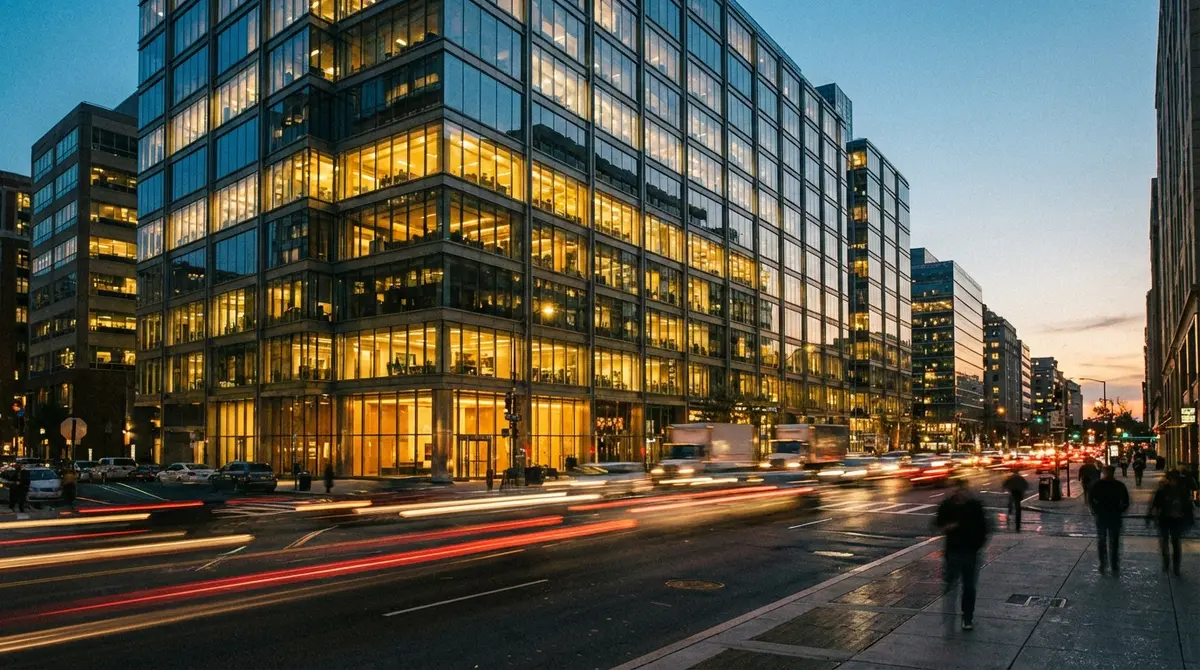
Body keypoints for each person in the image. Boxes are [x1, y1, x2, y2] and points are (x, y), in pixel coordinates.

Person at [935, 478, 990, 631]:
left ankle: (967, 617)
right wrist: (948, 526)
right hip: (953, 552)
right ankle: (950, 615)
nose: (959, 493)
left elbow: (984, 528)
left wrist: (977, 546)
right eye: (956, 490)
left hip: (970, 553)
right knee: (951, 586)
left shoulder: (974, 506)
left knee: (969, 587)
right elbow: (938, 524)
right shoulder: (947, 505)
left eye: (961, 490)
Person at [1147, 470, 1195, 575]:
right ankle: (1169, 564)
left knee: (1173, 542)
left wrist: (1150, 516)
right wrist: (1150, 515)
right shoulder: (1168, 490)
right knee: (1170, 542)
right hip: (1167, 519)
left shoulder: (1178, 490)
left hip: (1172, 520)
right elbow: (1155, 504)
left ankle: (1172, 565)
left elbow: (1187, 506)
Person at [1088, 465, 1130, 575]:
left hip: (1105, 516)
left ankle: (1106, 564)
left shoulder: (1099, 485)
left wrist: (1095, 509)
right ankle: (1112, 564)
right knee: (1111, 541)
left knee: (1105, 541)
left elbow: (1091, 499)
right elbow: (1126, 501)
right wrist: (1120, 510)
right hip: (1112, 516)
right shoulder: (1118, 485)